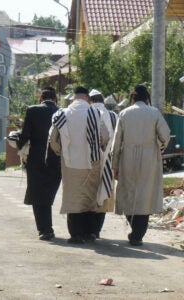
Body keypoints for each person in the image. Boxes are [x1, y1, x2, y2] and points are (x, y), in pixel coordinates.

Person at [110, 84, 170, 246]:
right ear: (147, 98)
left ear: (132, 98)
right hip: (149, 158)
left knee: (128, 192)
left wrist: (114, 165)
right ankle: (138, 234)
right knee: (145, 195)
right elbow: (166, 136)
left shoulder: (124, 113)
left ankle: (135, 230)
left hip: (127, 157)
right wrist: (157, 147)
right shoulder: (154, 113)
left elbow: (116, 143)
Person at [48, 86, 109, 244]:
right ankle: (89, 233)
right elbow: (105, 136)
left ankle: (75, 234)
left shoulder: (61, 114)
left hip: (69, 163)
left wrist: (60, 153)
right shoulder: (95, 113)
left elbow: (53, 139)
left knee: (73, 198)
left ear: (73, 98)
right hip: (92, 161)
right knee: (89, 198)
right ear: (87, 98)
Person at [18, 87, 62, 241]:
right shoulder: (62, 112)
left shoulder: (32, 111)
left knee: (37, 195)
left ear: (40, 98)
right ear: (55, 99)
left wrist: (19, 146)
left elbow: (25, 135)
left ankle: (44, 230)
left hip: (36, 159)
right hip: (56, 159)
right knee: (48, 193)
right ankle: (47, 227)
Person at [90, 89, 118, 239]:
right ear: (103, 101)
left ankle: (87, 229)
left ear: (90, 101)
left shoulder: (87, 114)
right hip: (108, 162)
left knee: (89, 195)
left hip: (88, 162)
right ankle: (96, 230)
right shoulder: (114, 116)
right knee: (103, 196)